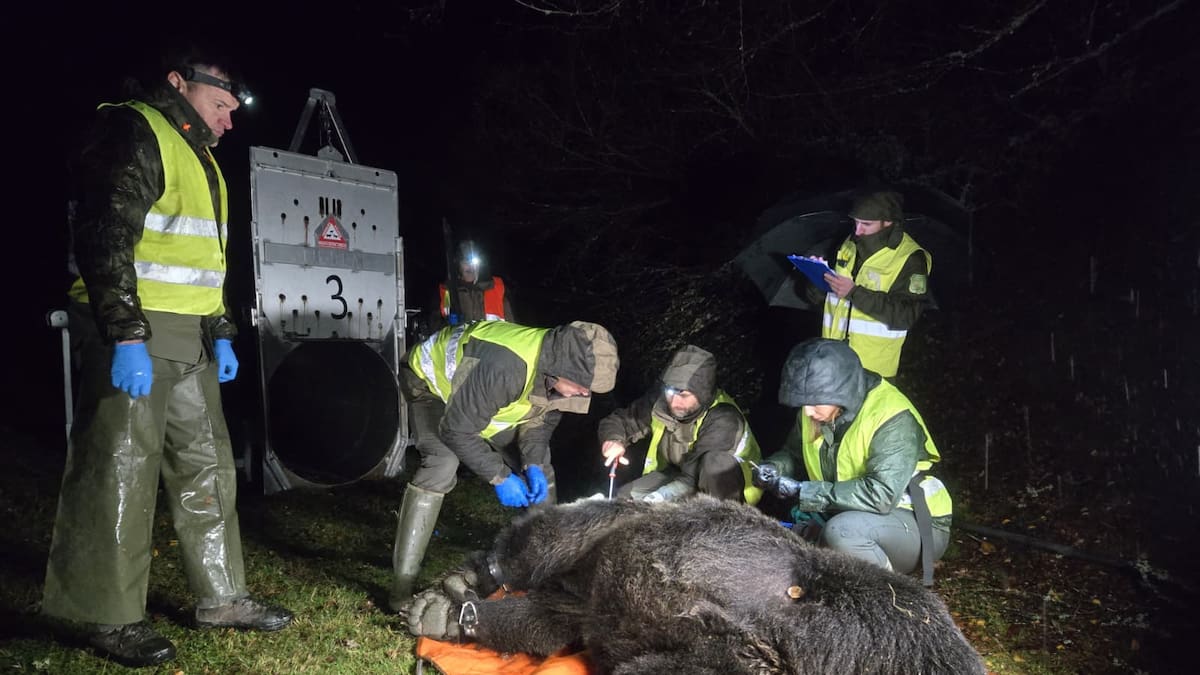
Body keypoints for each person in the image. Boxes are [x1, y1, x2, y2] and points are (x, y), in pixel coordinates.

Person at [43, 46, 292, 667]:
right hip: (130, 329)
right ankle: (105, 614)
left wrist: (222, 329)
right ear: (179, 84)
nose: (229, 121)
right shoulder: (132, 128)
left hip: (190, 336)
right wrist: (126, 334)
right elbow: (105, 235)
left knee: (207, 465)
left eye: (234, 110)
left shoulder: (202, 158)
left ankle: (222, 597)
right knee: (121, 468)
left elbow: (205, 263)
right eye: (221, 104)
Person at [389, 319, 619, 610]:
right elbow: (456, 430)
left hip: (485, 405)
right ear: (560, 369)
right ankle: (401, 589)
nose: (585, 394)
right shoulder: (506, 368)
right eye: (582, 387)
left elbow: (538, 423)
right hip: (431, 387)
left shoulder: (562, 375)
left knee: (542, 469)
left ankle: (547, 573)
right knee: (442, 462)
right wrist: (499, 477)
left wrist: (532, 463)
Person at [752, 338, 952, 586]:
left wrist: (806, 490)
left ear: (842, 393)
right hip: (851, 512)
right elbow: (793, 453)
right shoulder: (817, 409)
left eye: (814, 403)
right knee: (794, 540)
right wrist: (774, 467)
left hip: (916, 524)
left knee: (842, 532)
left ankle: (890, 598)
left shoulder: (892, 417)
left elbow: (881, 495)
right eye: (803, 403)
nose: (807, 412)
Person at [598, 345, 763, 504]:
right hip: (678, 471)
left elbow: (693, 480)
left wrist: (655, 500)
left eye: (684, 395)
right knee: (625, 498)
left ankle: (723, 523)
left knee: (715, 464)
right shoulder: (661, 403)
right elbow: (621, 420)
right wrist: (613, 440)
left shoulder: (724, 418)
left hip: (728, 486)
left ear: (702, 393)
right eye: (670, 391)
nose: (674, 402)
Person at [806, 189, 931, 378]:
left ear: (888, 222)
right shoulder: (849, 244)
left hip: (873, 371)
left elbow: (906, 315)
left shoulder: (911, 259)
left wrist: (854, 293)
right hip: (832, 361)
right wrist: (816, 277)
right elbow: (825, 301)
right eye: (855, 222)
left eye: (866, 224)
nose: (857, 231)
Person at [437, 240, 515, 326]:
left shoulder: (497, 288)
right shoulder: (447, 290)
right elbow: (436, 327)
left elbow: (513, 327)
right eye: (465, 261)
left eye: (474, 261)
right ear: (458, 264)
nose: (470, 266)